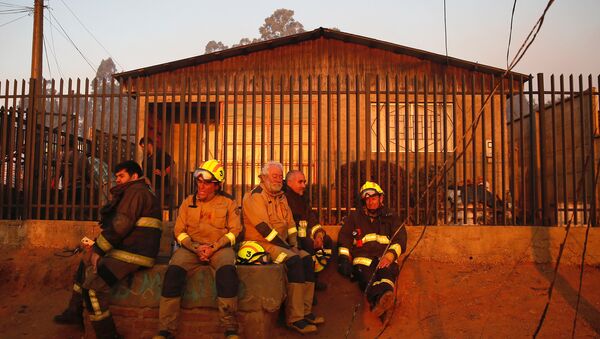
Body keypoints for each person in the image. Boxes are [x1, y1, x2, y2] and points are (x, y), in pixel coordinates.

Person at [53, 160, 163, 339]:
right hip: (131, 249)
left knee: (93, 289)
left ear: (134, 176)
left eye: (121, 176)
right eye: (116, 176)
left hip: (134, 254)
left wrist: (99, 249)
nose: (117, 180)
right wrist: (96, 248)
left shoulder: (135, 192)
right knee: (85, 260)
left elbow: (120, 225)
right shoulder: (137, 191)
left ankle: (108, 335)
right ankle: (73, 311)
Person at [154, 159, 242, 339]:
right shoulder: (188, 202)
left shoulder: (228, 203)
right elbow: (179, 231)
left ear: (216, 185)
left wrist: (214, 247)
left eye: (206, 183)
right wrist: (195, 248)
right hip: (190, 249)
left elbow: (235, 231)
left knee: (227, 274)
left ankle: (230, 329)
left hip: (219, 248)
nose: (200, 187)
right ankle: (166, 330)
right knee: (173, 274)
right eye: (199, 182)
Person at [242, 161, 324, 334]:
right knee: (294, 261)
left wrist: (294, 244)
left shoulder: (281, 197)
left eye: (280, 176)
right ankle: (295, 318)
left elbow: (291, 225)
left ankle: (305, 311)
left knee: (307, 259)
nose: (278, 179)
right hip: (262, 245)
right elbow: (264, 230)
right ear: (263, 177)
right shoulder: (254, 197)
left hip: (283, 244)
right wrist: (289, 248)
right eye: (274, 176)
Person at [337, 181, 407, 319]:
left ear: (381, 198)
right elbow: (344, 237)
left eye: (373, 198)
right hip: (363, 260)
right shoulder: (354, 218)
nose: (370, 202)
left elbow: (400, 238)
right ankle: (382, 304)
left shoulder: (391, 216)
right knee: (367, 278)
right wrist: (344, 258)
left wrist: (390, 256)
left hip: (385, 258)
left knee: (387, 275)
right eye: (367, 199)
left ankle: (383, 300)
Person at [283, 170, 333, 291]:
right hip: (292, 236)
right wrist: (310, 237)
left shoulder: (302, 198)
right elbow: (291, 223)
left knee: (327, 241)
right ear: (289, 183)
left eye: (304, 182)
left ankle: (314, 277)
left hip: (305, 233)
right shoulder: (284, 198)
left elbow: (312, 218)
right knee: (307, 244)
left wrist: (319, 235)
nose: (304, 185)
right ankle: (307, 282)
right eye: (300, 182)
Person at [139, 137, 172, 202]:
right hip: (150, 188)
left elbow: (171, 164)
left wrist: (164, 172)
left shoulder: (159, 153)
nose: (142, 149)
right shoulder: (146, 158)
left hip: (160, 187)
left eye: (143, 147)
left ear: (149, 145)